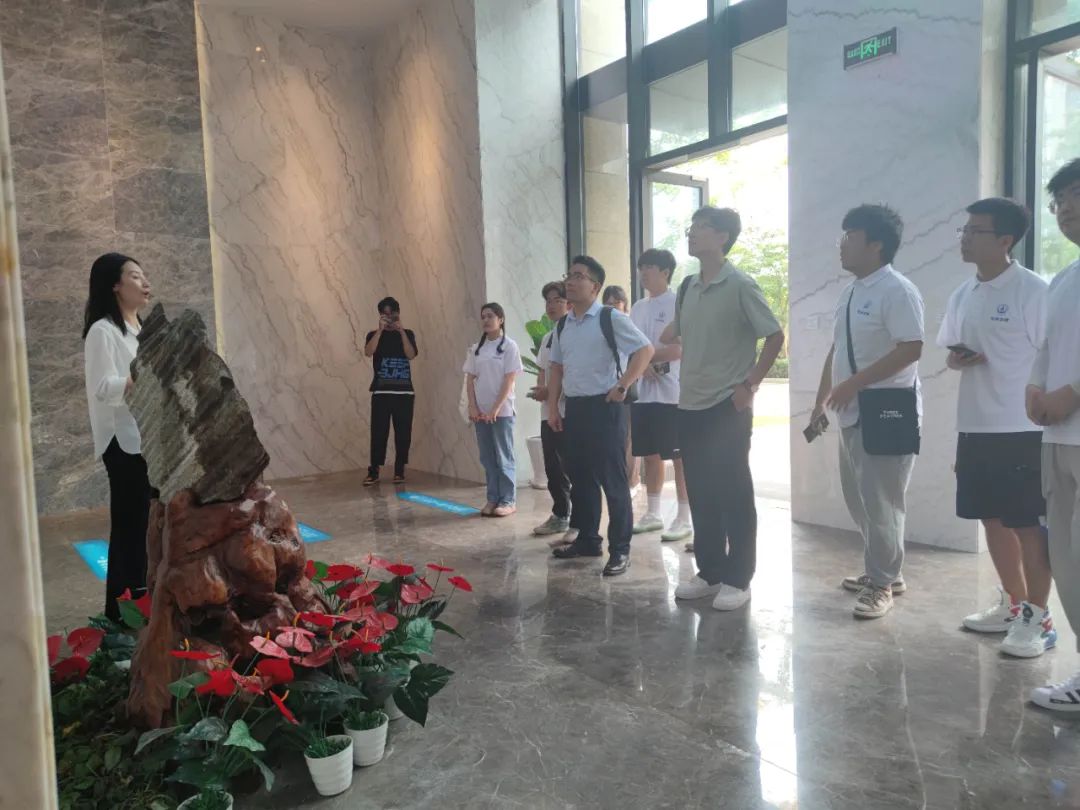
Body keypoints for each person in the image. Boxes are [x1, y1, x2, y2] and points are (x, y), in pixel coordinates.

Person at [937, 197, 1054, 657]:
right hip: (975, 425)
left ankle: (1038, 619)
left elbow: (1052, 356)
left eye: (975, 231)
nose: (965, 238)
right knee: (991, 518)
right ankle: (1013, 603)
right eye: (964, 230)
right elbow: (951, 351)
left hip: (1022, 428)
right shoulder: (963, 294)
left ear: (1005, 240)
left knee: (1027, 525)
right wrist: (959, 358)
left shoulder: (1032, 291)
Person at [662, 207, 784, 611]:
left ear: (723, 237)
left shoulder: (741, 285)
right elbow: (679, 334)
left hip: (725, 405)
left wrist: (750, 384)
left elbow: (774, 335)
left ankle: (738, 577)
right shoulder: (687, 286)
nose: (691, 233)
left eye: (701, 228)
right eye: (691, 227)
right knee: (701, 492)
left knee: (733, 492)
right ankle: (711, 571)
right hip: (689, 404)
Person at [809, 204, 924, 620]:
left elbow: (911, 349)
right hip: (851, 411)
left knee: (883, 503)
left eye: (850, 236)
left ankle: (882, 583)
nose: (841, 244)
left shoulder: (898, 290)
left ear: (876, 244)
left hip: (886, 411)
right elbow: (837, 350)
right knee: (861, 500)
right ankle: (885, 571)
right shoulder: (852, 291)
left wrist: (853, 384)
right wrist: (820, 401)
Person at [548, 256, 653, 577]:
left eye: (578, 276)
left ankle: (620, 550)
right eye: (569, 274)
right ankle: (588, 540)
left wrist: (623, 385)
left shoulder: (610, 318)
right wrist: (553, 407)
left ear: (594, 286)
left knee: (613, 481)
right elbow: (556, 367)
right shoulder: (563, 324)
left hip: (606, 407)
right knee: (581, 480)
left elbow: (645, 350)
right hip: (575, 409)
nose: (570, 281)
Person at [1027, 157, 1080, 713]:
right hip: (1057, 439)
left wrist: (1074, 391)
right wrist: (1035, 387)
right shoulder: (1064, 279)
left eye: (1075, 194)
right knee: (1066, 558)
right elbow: (1045, 348)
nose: (1065, 208)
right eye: (1058, 200)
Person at [82, 253, 154, 622]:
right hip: (121, 441)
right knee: (130, 527)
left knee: (148, 525)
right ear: (114, 284)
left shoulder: (142, 329)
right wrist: (139, 378)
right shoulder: (103, 331)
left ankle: (145, 601)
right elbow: (102, 386)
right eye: (136, 276)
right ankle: (122, 613)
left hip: (148, 438)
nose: (145, 283)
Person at [629, 249, 692, 542]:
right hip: (644, 394)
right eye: (641, 267)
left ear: (666, 272)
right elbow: (630, 346)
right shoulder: (638, 307)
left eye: (650, 267)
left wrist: (647, 359)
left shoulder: (679, 303)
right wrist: (641, 365)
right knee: (650, 455)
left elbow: (681, 347)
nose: (643, 273)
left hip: (673, 393)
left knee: (680, 457)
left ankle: (684, 517)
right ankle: (653, 513)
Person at [529, 281, 580, 545]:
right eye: (548, 301)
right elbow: (542, 371)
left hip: (570, 412)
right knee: (553, 467)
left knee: (574, 467)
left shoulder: (575, 334)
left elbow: (571, 373)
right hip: (547, 412)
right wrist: (542, 390)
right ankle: (560, 514)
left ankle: (579, 521)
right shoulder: (548, 338)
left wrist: (551, 392)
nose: (551, 305)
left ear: (569, 303)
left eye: (557, 300)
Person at [464, 302, 523, 517]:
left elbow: (509, 380)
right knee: (488, 458)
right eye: (483, 317)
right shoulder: (476, 349)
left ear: (501, 319)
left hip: (502, 412)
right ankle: (492, 498)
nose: (486, 320)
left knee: (504, 456)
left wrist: (496, 408)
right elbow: (470, 380)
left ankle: (508, 500)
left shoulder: (510, 346)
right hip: (481, 413)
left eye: (490, 316)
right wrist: (473, 406)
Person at [363, 297, 418, 486]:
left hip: (405, 394)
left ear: (398, 314)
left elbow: (411, 354)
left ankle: (399, 470)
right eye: (384, 315)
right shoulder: (373, 334)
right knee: (378, 433)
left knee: (403, 433)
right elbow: (368, 352)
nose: (389, 319)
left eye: (392, 315)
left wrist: (401, 331)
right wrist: (380, 331)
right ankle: (373, 471)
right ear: (380, 315)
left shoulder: (408, 333)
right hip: (381, 392)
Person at [602, 284, 641, 493]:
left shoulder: (628, 325)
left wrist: (625, 383)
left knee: (628, 438)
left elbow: (641, 352)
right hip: (607, 390)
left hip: (626, 388)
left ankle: (631, 481)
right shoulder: (602, 326)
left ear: (624, 305)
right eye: (608, 303)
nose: (613, 307)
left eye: (616, 302)